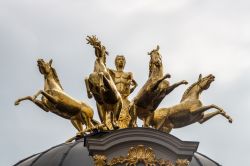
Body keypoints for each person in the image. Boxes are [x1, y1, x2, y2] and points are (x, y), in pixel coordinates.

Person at [109, 55, 137, 128]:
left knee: (130, 114)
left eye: (122, 59)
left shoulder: (128, 74)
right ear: (115, 62)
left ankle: (133, 123)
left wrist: (133, 86)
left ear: (124, 62)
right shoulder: (111, 73)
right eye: (118, 59)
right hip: (115, 99)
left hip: (125, 99)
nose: (121, 61)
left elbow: (131, 87)